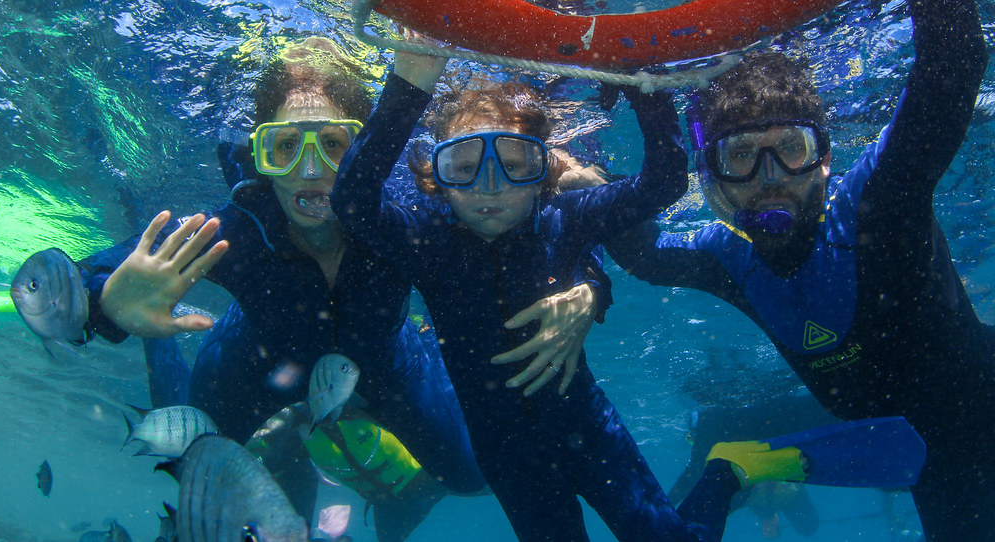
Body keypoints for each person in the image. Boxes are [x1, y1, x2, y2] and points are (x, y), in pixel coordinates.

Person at [69, 37, 605, 538]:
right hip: (251, 364)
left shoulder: (401, 219)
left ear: (365, 154)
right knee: (189, 461)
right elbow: (95, 271)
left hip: (387, 363)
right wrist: (103, 301)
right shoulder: (237, 228)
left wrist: (588, 286)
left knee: (469, 475)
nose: (309, 171)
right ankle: (166, 349)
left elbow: (520, 225)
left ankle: (328, 419)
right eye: (284, 148)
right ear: (261, 160)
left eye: (333, 146)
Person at [328, 45, 817, 541]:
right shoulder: (425, 241)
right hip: (508, 458)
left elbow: (665, 182)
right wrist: (410, 82)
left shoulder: (567, 218)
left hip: (592, 433)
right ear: (438, 176)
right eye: (464, 164)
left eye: (515, 162)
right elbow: (351, 198)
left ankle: (724, 471)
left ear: (545, 170)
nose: (491, 186)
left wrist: (639, 81)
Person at [604, 0, 991, 539]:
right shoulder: (729, 257)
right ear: (712, 177)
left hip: (978, 427)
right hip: (902, 446)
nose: (771, 176)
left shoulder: (878, 203)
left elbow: (950, 71)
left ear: (825, 156)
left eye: (791, 148)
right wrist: (583, 172)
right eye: (740, 156)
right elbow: (643, 254)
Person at [670, 395, 839, 539]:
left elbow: (691, 475)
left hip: (772, 438)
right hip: (777, 428)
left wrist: (666, 507)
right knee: (807, 527)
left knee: (807, 526)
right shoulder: (712, 433)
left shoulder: (710, 434)